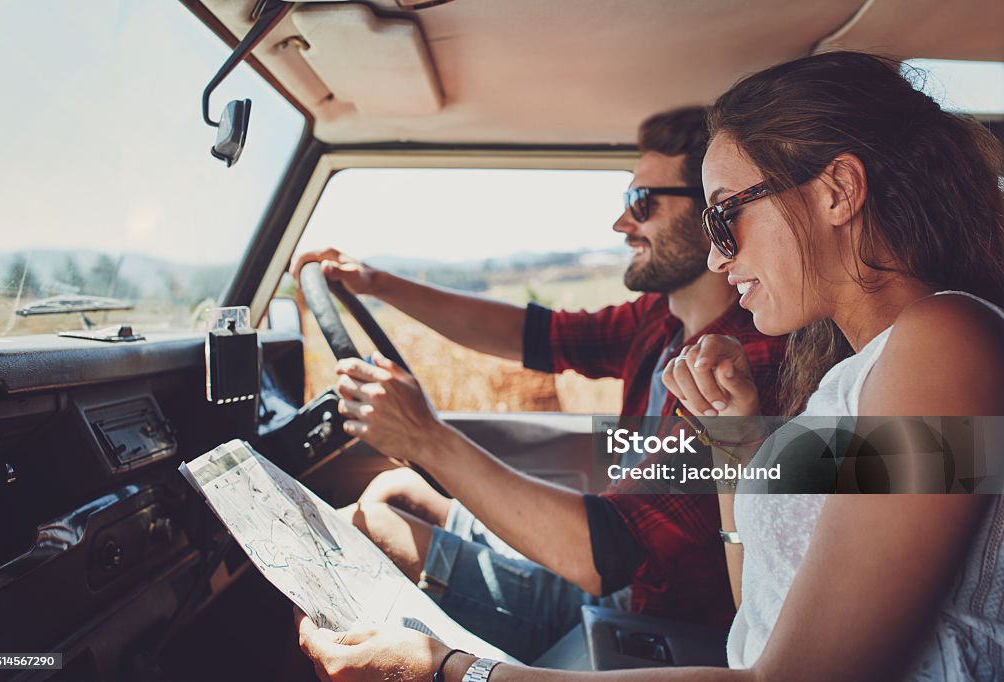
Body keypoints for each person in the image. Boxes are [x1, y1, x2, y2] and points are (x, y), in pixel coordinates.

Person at [297, 51, 1004, 681]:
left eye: (725, 216)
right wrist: (737, 444)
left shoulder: (942, 342)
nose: (719, 255)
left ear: (837, 192)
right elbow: (753, 606)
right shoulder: (849, 372)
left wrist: (455, 672)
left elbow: (789, 677)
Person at [293, 107, 787, 662]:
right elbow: (530, 333)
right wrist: (377, 283)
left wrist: (426, 437)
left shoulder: (739, 365)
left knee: (361, 530)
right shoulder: (661, 321)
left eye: (641, 204)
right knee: (389, 493)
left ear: (709, 215)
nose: (622, 225)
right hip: (623, 575)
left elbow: (604, 557)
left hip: (643, 612)